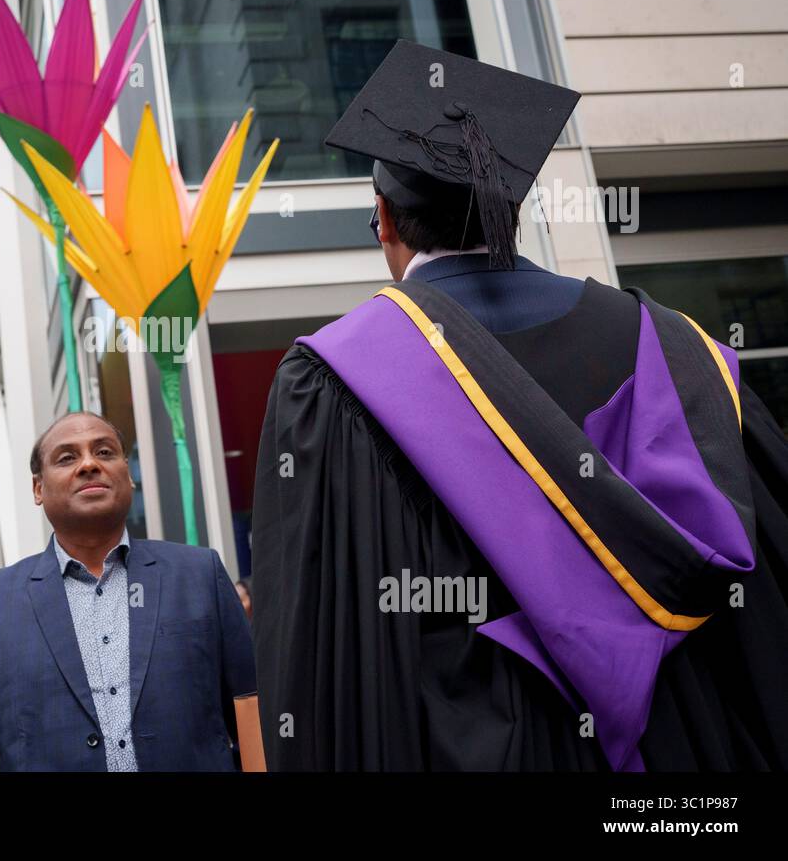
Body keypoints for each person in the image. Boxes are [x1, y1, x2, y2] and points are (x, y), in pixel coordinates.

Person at [252, 40, 788, 771]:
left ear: (383, 220)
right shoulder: (678, 349)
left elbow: (326, 653)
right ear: (515, 210)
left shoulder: (334, 383)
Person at [0, 411, 256, 771]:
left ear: (127, 476)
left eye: (104, 452)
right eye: (67, 457)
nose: (88, 464)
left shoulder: (198, 575)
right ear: (38, 488)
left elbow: (255, 721)